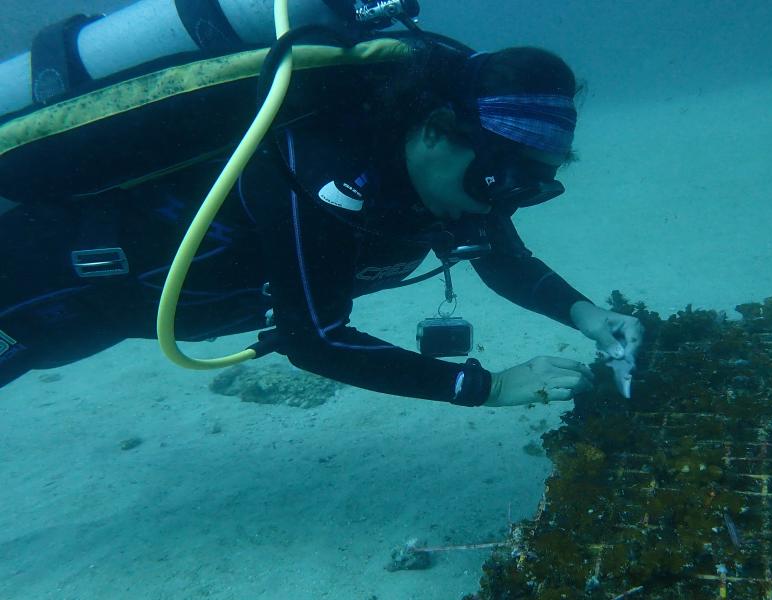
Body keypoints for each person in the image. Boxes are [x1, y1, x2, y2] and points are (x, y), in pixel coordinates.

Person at [0, 35, 642, 407]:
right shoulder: (319, 171)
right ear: (437, 132)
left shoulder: (439, 183)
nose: (500, 203)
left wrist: (587, 315)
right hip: (41, 280)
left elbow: (498, 253)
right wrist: (490, 386)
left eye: (532, 188)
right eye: (499, 179)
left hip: (107, 314)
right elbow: (315, 339)